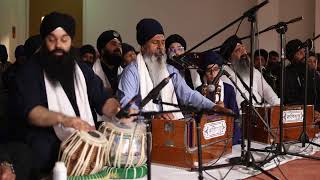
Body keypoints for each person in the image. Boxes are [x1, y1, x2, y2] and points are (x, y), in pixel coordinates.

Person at [11, 12, 122, 177]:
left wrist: (119, 111)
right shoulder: (29, 71)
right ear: (44, 40)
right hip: (46, 152)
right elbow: (32, 112)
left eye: (64, 39)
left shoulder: (80, 68)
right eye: (51, 39)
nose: (58, 45)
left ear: (71, 41)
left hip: (83, 147)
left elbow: (101, 98)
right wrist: (65, 119)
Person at [118, 18, 230, 120]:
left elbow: (188, 95)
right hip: (142, 132)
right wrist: (152, 116)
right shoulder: (131, 73)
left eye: (162, 42)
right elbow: (127, 108)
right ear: (142, 47)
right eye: (155, 42)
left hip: (172, 127)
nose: (160, 47)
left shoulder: (170, 70)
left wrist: (213, 106)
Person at [219, 35, 280, 109]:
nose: (243, 52)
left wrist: (277, 104)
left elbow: (266, 90)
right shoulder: (224, 74)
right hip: (241, 114)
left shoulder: (253, 71)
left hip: (259, 110)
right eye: (238, 50)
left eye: (243, 47)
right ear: (229, 58)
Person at [196, 51, 241, 144]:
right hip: (205, 135)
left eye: (216, 69)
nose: (212, 73)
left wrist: (224, 109)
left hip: (225, 134)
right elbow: (195, 117)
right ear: (204, 72)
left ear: (220, 71)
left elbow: (235, 115)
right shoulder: (198, 90)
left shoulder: (228, 89)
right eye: (209, 70)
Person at [284, 39, 320, 120]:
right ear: (291, 56)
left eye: (304, 51)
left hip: (316, 118)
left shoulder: (314, 75)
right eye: (299, 53)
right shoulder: (286, 74)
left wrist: (318, 111)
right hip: (297, 118)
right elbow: (289, 101)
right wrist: (310, 112)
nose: (304, 55)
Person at [93, 30, 123, 94]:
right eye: (113, 44)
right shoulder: (92, 72)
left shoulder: (123, 71)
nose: (118, 47)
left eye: (120, 45)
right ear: (102, 50)